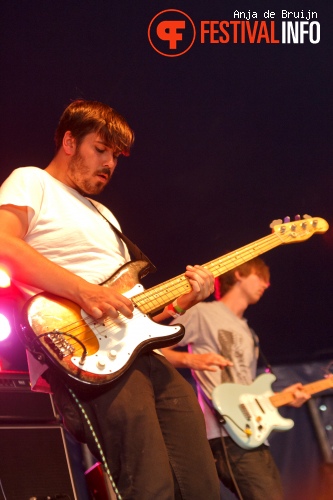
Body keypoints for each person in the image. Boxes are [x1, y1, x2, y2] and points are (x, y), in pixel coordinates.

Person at [0, 99, 222, 499]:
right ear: (69, 141)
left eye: (116, 156)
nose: (109, 164)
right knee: (148, 481)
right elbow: (3, 244)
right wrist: (81, 289)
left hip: (139, 352)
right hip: (87, 352)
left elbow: (131, 305)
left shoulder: (105, 215)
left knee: (200, 479)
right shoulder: (32, 181)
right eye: (100, 149)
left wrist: (180, 304)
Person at [161, 257, 310, 500]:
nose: (266, 284)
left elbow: (248, 389)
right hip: (224, 433)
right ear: (239, 274)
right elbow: (149, 346)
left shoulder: (249, 333)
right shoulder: (202, 313)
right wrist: (190, 360)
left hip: (253, 432)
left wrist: (284, 398)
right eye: (260, 276)